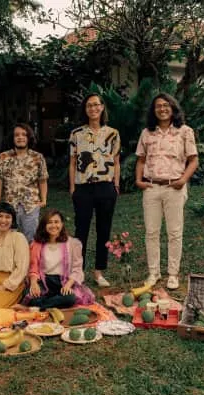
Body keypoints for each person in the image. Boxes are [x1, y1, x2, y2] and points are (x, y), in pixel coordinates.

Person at [135, 93, 199, 290]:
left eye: (166, 105)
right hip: (152, 188)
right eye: (158, 106)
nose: (162, 109)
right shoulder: (147, 133)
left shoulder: (185, 131)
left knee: (174, 232)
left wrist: (183, 180)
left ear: (172, 108)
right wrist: (138, 180)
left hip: (174, 188)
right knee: (151, 232)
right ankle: (153, 273)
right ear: (153, 111)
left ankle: (173, 274)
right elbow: (141, 159)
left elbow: (193, 160)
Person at [69, 93, 121, 287]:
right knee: (81, 230)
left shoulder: (113, 133)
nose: (93, 108)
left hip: (106, 187)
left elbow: (116, 162)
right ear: (85, 109)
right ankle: (78, 272)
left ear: (102, 107)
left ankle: (99, 271)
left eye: (96, 105)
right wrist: (73, 187)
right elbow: (72, 163)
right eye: (89, 105)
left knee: (103, 229)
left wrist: (116, 184)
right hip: (83, 187)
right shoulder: (76, 134)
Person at [22, 209, 95, 310]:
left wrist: (68, 285)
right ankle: (50, 303)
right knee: (29, 295)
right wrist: (34, 283)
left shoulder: (73, 244)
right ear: (44, 225)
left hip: (63, 281)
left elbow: (77, 268)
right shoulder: (37, 244)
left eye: (56, 222)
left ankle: (39, 306)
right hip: (43, 281)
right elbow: (33, 267)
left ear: (62, 224)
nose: (53, 225)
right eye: (49, 222)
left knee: (70, 298)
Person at [0, 123, 48, 242]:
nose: (20, 137)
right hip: (9, 206)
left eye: (24, 134)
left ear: (29, 138)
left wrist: (43, 200)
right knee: (9, 240)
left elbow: (42, 180)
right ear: (12, 138)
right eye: (16, 135)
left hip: (31, 206)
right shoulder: (3, 157)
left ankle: (29, 255)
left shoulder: (38, 157)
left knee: (31, 240)